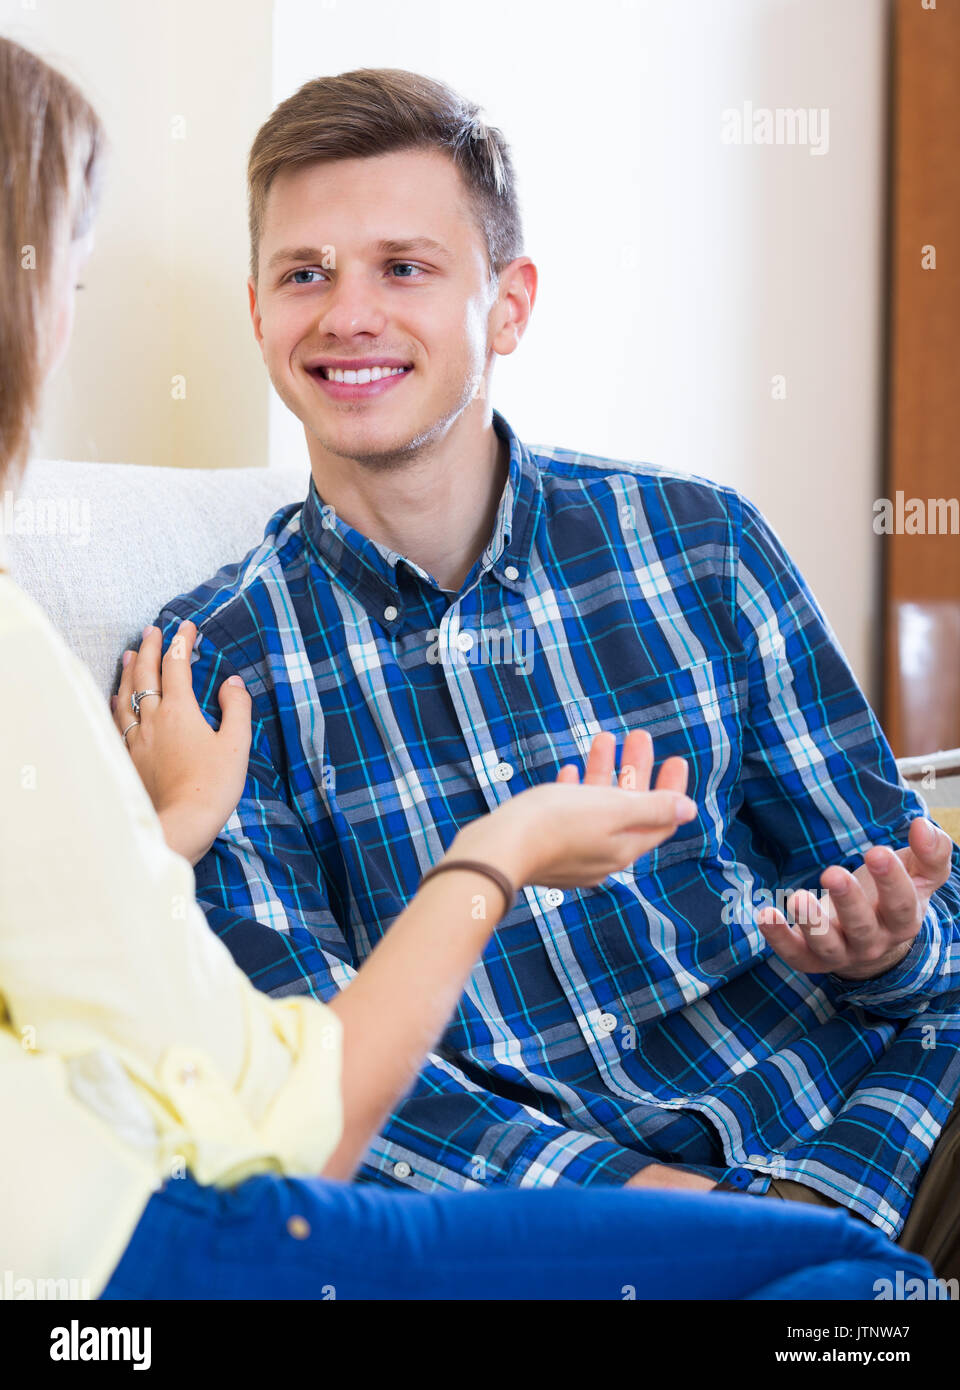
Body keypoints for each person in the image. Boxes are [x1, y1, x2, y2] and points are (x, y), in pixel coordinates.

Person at [0, 35, 938, 1302]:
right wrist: (686, 1227)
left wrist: (888, 948)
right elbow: (327, 1095)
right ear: (257, 311)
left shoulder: (699, 542)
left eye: (406, 267)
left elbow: (918, 927)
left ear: (508, 302)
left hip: (875, 1138)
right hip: (592, 1234)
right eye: (305, 273)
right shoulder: (209, 673)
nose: (348, 313)